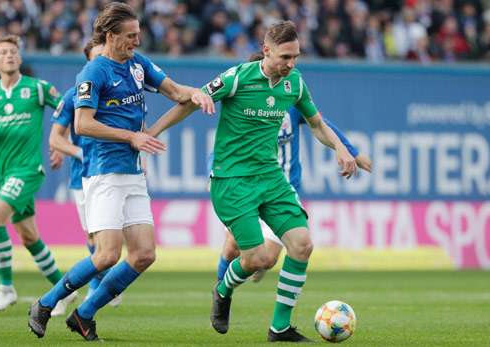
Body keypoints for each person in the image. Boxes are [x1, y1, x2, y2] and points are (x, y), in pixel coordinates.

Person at [147, 20, 358, 342]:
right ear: (266, 51)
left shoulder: (295, 84)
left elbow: (316, 123)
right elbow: (192, 101)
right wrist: (153, 132)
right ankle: (223, 288)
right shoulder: (237, 77)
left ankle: (280, 328)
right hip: (232, 181)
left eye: (296, 57)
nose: (291, 64)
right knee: (257, 259)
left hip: (271, 178)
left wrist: (341, 148)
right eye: (285, 57)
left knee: (302, 245)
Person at [27, 2, 214, 341]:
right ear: (111, 37)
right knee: (107, 255)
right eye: (130, 36)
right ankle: (45, 302)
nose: (136, 42)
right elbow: (82, 124)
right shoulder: (93, 73)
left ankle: (84, 314)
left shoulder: (138, 65)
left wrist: (197, 93)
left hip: (132, 174)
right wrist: (132, 136)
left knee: (144, 254)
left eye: (138, 35)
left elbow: (174, 91)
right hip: (104, 174)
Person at [214, 52, 373, 285]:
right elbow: (222, 150)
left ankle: (245, 268)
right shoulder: (243, 111)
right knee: (233, 246)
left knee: (267, 259)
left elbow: (320, 123)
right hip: (244, 185)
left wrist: (352, 152)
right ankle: (220, 290)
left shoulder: (288, 101)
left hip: (281, 188)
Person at [0, 34, 74, 315]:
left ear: (20, 58)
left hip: (28, 170)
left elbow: (70, 109)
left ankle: (6, 289)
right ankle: (64, 291)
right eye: (3, 52)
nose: (9, 56)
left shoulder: (37, 88)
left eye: (13, 52)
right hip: (7, 174)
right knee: (28, 237)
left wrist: (61, 144)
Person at [48, 41, 123, 309]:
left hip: (116, 172)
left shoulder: (121, 90)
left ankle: (97, 286)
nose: (103, 61)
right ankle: (100, 284)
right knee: (94, 238)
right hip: (84, 177)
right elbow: (55, 138)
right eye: (97, 57)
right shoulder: (73, 95)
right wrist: (78, 153)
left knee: (107, 238)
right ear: (88, 63)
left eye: (105, 55)